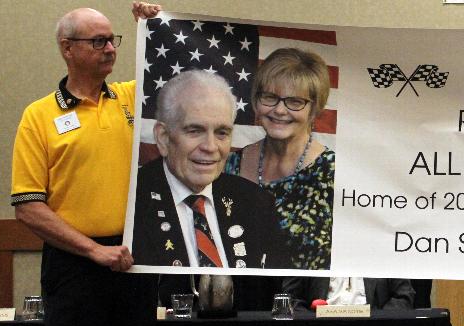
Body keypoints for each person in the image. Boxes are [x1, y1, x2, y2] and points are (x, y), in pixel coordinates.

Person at [10, 3, 160, 326]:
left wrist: (154, 27)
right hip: (74, 265)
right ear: (67, 48)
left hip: (132, 261)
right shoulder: (39, 116)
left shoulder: (130, 98)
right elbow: (28, 207)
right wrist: (93, 250)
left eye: (112, 40)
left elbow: (182, 73)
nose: (110, 49)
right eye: (97, 42)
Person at [132, 70, 290, 270]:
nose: (210, 146)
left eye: (221, 133)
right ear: (163, 138)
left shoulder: (256, 204)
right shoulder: (130, 203)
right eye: (195, 131)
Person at [225, 47, 335, 270]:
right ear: (256, 101)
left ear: (314, 109)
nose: (280, 110)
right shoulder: (227, 166)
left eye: (294, 101)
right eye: (270, 97)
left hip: (307, 293)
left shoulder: (334, 173)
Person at [283, 277, 415, 311]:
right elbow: (290, 298)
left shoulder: (385, 248)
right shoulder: (309, 247)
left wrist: (380, 320)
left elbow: (403, 296)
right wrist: (309, 319)